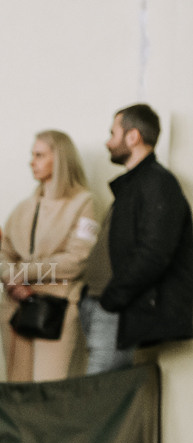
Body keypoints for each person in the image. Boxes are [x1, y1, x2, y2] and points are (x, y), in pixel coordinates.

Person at [80, 103, 193, 373]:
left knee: (100, 390)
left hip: (115, 308)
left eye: (113, 133)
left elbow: (154, 252)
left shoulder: (157, 183)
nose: (108, 142)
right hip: (102, 304)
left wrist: (112, 299)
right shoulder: (135, 184)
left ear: (133, 137)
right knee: (98, 388)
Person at [0, 131, 98, 381]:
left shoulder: (83, 203)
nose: (32, 162)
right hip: (15, 306)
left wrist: (22, 273)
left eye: (40, 155)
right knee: (15, 386)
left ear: (60, 159)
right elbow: (3, 252)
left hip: (55, 309)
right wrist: (11, 278)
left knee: (48, 386)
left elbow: (77, 260)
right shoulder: (24, 207)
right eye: (33, 155)